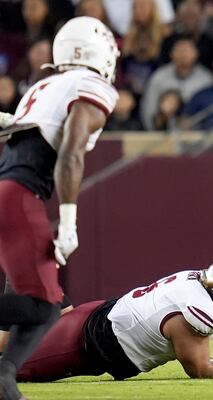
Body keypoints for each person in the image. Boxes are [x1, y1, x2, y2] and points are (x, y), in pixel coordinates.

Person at [0, 16, 119, 400]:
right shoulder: (91, 85)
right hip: (19, 195)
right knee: (43, 306)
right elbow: (70, 153)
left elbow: (25, 133)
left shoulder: (43, 86)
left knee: (42, 304)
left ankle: (4, 378)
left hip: (10, 190)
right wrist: (69, 221)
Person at [16, 255, 213, 382]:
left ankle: (36, 283)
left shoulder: (195, 278)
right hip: (84, 343)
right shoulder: (196, 314)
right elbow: (201, 370)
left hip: (100, 316)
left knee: (16, 338)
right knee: (13, 369)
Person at [140, 37, 213, 130]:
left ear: (196, 54)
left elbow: (212, 111)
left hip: (197, 136)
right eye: (179, 50)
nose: (183, 54)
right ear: (171, 54)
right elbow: (148, 109)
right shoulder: (159, 76)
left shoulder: (206, 79)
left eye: (187, 50)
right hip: (162, 135)